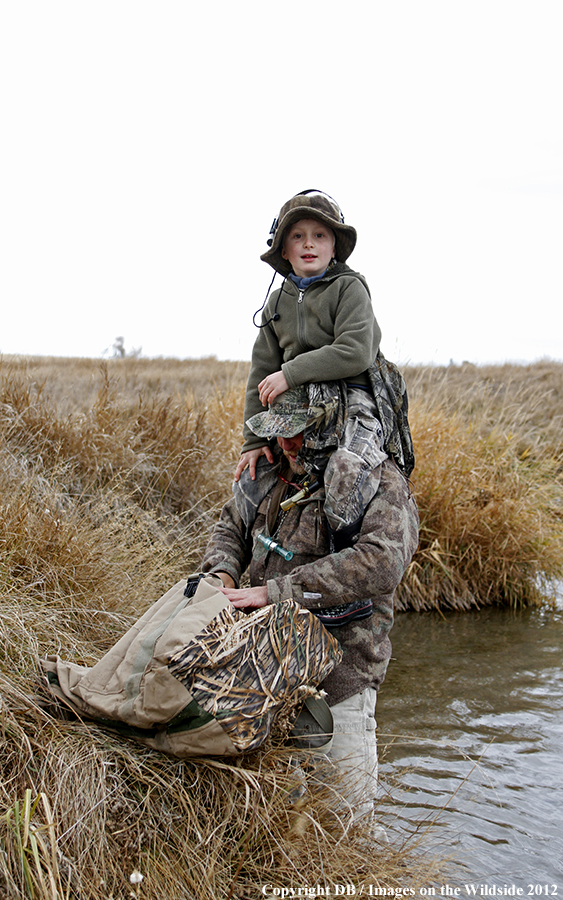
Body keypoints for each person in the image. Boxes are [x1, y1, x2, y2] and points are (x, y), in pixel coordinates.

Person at [204, 384, 419, 818]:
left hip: (341, 682)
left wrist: (275, 593)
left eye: (298, 432)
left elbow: (382, 562)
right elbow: (231, 526)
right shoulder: (270, 471)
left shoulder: (376, 481)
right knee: (279, 825)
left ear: (326, 425)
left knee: (347, 828)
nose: (286, 444)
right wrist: (219, 578)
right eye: (277, 433)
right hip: (265, 676)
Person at [235, 188, 394, 534]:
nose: (309, 244)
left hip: (352, 397)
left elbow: (355, 350)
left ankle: (343, 548)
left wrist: (290, 374)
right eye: (298, 236)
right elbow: (261, 374)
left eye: (320, 235)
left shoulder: (349, 288)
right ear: (284, 250)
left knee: (346, 472)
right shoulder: (276, 302)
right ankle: (248, 550)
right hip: (294, 405)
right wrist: (254, 441)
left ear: (334, 247)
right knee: (252, 476)